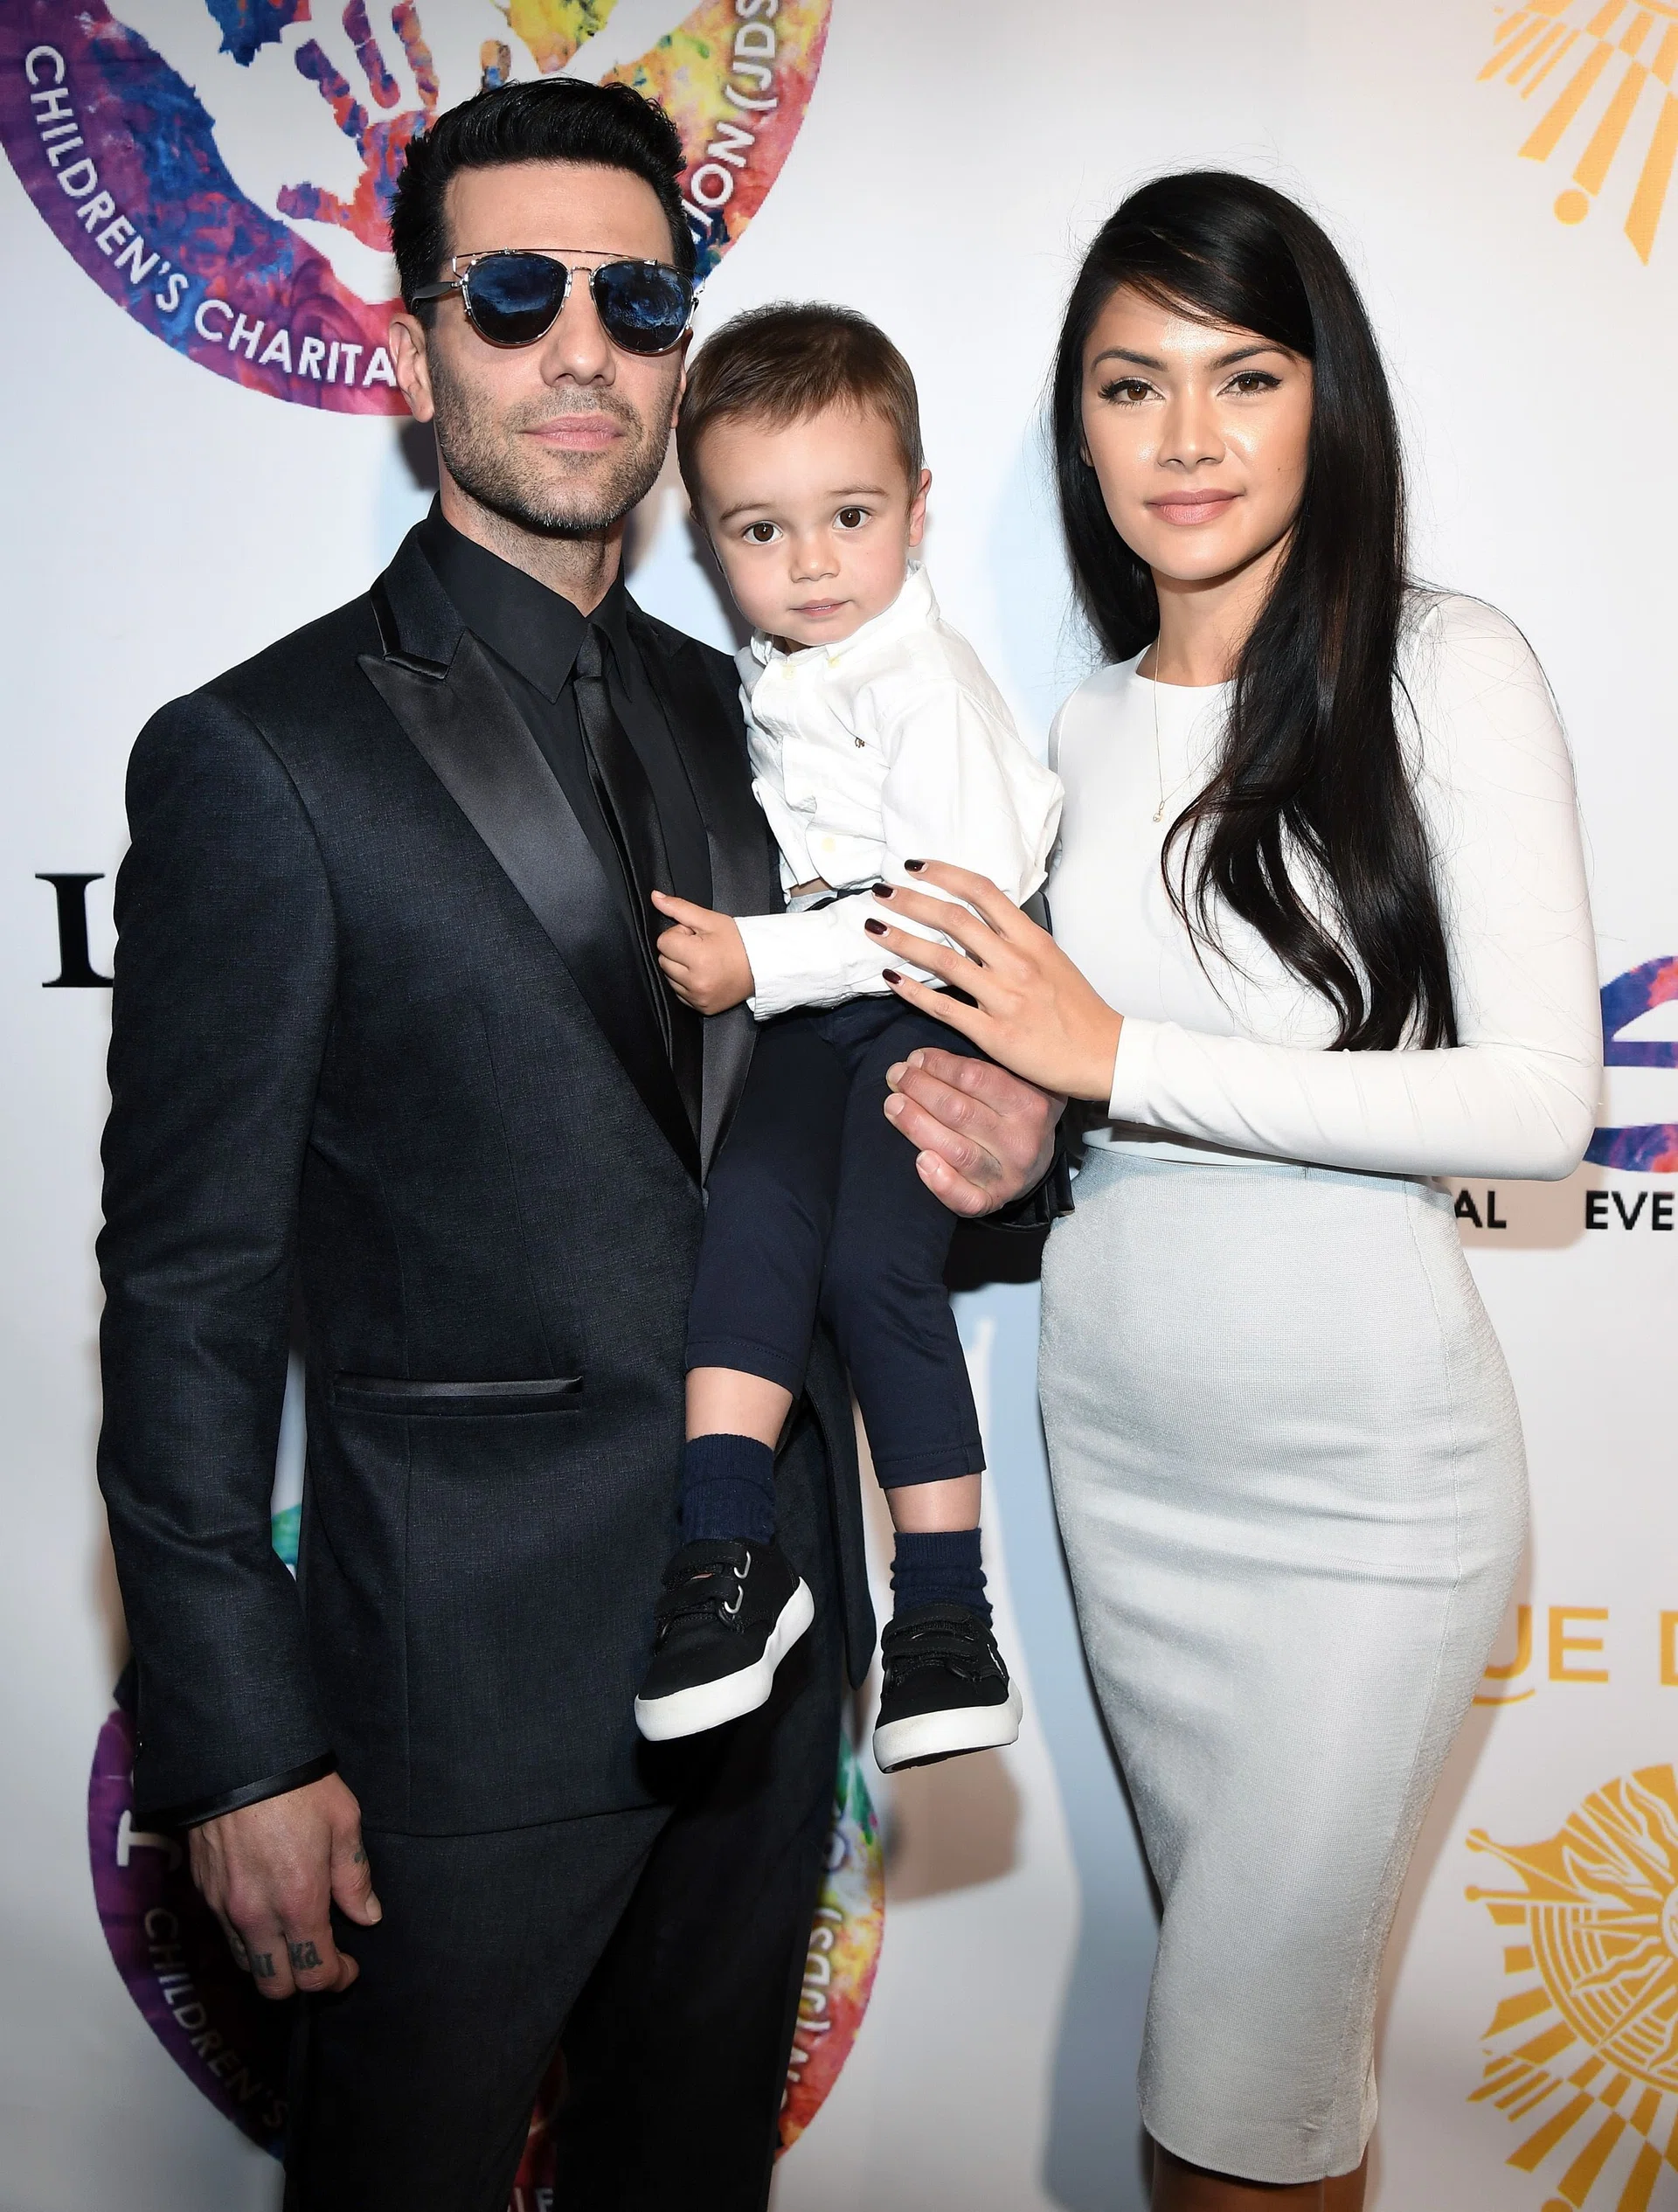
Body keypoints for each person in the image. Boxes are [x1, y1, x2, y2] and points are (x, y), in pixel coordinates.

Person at [95, 79, 1056, 2212]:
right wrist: (233, 1739)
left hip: (773, 1650)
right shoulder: (267, 751)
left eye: (637, 294)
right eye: (513, 291)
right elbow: (186, 1294)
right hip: (456, 1704)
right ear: (417, 339)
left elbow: (863, 1113)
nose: (578, 343)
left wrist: (1000, 1149)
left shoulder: (777, 710)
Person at [859, 172, 1600, 2210]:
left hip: (1366, 1498)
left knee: (1229, 2099)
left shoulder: (1446, 666)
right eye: (1131, 384)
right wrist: (1030, 1124)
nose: (1185, 438)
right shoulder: (1070, 732)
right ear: (1076, 432)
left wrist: (1113, 1058)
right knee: (1279, 2098)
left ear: (1321, 402)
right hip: (1127, 1473)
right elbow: (1071, 1103)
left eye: (1243, 375)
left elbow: (1545, 1098)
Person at [628, 303, 1062, 1772]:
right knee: (746, 1230)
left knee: (879, 1268)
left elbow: (945, 915)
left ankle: (945, 1615)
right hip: (818, 1020)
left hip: (921, 1011)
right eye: (760, 530)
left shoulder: (921, 687)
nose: (810, 563)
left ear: (919, 510)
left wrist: (760, 953)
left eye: (851, 515)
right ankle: (723, 1560)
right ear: (705, 532)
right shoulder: (786, 674)